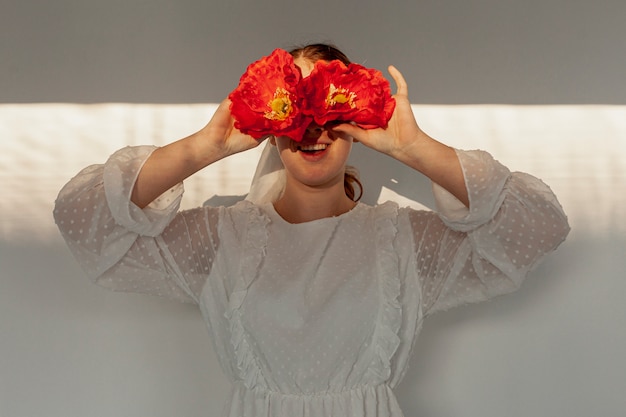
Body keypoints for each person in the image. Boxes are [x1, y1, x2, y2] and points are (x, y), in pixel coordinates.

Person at [54, 43, 570, 417]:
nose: (310, 126)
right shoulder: (223, 240)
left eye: (328, 103)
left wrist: (413, 148)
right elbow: (86, 222)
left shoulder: (402, 243)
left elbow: (537, 225)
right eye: (291, 103)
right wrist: (203, 146)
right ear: (269, 122)